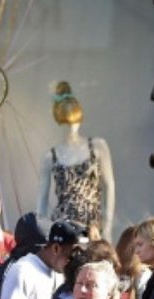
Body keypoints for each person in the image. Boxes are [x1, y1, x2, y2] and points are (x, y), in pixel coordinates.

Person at [37, 82, 115, 240]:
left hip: (93, 229)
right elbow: (40, 208)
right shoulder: (51, 157)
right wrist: (48, 230)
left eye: (74, 121)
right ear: (59, 122)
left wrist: (108, 228)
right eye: (67, 123)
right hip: (64, 230)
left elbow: (109, 186)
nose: (71, 127)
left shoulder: (97, 146)